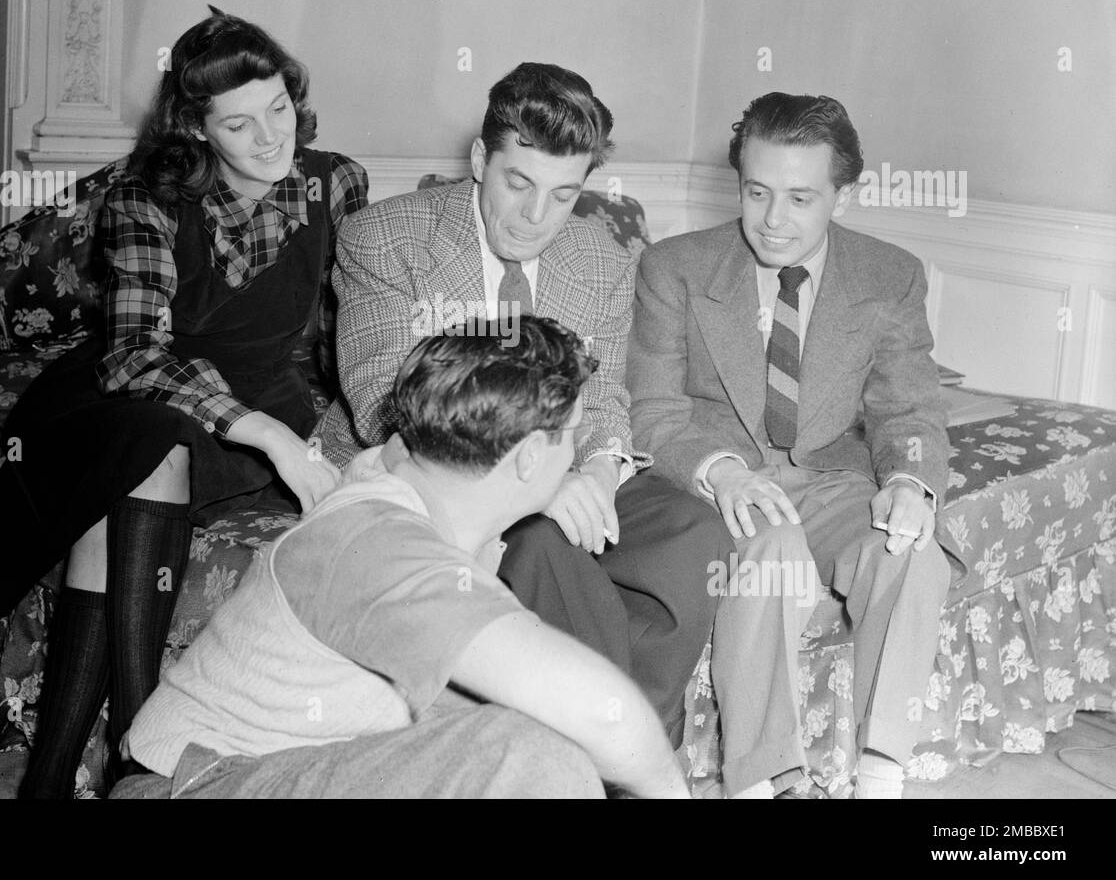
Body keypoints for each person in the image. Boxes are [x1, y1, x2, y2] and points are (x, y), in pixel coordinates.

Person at [0, 11, 368, 798]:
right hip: (115, 399)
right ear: (196, 127)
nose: (268, 138)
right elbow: (135, 356)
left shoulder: (337, 180)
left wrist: (351, 431)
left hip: (249, 405)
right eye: (238, 123)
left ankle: (53, 781)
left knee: (136, 479)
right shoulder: (144, 197)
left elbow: (345, 334)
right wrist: (274, 441)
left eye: (279, 108)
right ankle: (135, 749)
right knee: (153, 442)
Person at [311, 62, 729, 746]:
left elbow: (606, 394)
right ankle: (591, 753)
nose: (538, 217)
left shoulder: (601, 260)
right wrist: (538, 481)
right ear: (481, 160)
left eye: (565, 195)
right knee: (536, 537)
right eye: (519, 184)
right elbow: (384, 402)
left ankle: (630, 746)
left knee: (692, 534)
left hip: (559, 463)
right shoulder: (384, 238)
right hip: (424, 472)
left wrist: (599, 467)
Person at [113, 317, 691, 799]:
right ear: (529, 455)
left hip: (293, 768)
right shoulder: (376, 539)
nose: (579, 449)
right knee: (534, 755)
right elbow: (607, 713)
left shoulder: (424, 490)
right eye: (573, 433)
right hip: (193, 785)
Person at [627, 92, 953, 798]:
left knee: (910, 550)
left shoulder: (889, 274)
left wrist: (909, 483)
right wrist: (720, 474)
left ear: (844, 193)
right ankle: (764, 780)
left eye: (801, 198)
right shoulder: (674, 268)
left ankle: (880, 774)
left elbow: (909, 407)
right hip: (731, 479)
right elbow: (653, 413)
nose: (773, 220)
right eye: (757, 192)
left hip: (833, 479)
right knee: (772, 552)